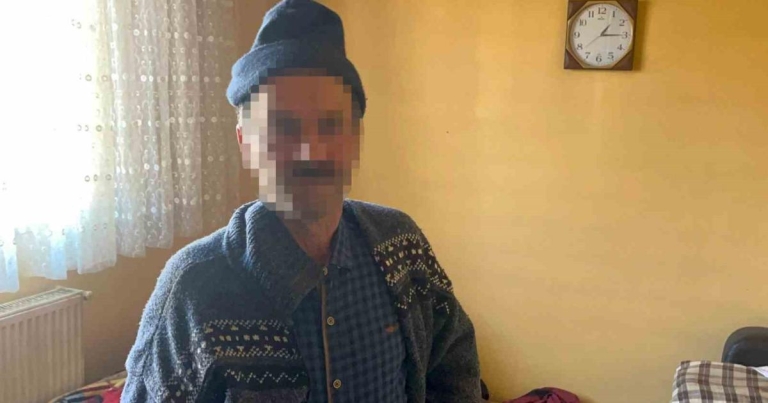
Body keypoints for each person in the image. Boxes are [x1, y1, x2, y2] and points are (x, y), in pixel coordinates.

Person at [121, 0, 481, 402]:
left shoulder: (401, 245)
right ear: (244, 143)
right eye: (283, 126)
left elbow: (454, 366)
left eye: (331, 124)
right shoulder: (194, 287)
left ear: (355, 138)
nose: (311, 151)